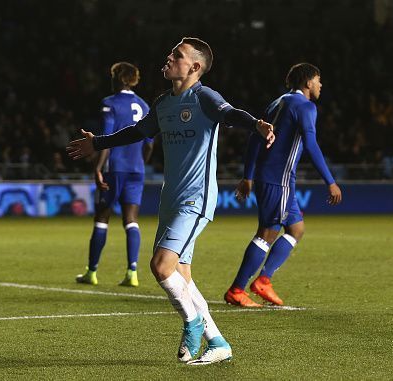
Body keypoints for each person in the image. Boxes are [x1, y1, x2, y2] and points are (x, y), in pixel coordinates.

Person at [67, 37, 275, 365]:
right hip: (170, 198)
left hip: (196, 197)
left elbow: (230, 114)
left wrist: (256, 125)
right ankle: (218, 342)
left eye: (177, 55)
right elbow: (137, 132)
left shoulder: (204, 97)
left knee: (161, 266)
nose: (169, 57)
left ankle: (192, 323)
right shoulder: (163, 102)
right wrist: (99, 143)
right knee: (182, 276)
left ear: (194, 67)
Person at [224, 63, 342, 308]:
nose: (321, 85)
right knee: (267, 232)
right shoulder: (306, 106)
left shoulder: (277, 102)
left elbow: (255, 137)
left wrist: (248, 175)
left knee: (296, 229)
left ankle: (264, 280)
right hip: (277, 178)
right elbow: (311, 144)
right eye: (318, 80)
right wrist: (330, 181)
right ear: (308, 82)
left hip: (275, 177)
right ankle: (237, 289)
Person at [75, 62, 153, 287]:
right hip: (136, 169)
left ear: (118, 78)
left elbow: (106, 140)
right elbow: (149, 144)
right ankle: (132, 272)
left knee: (101, 218)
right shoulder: (145, 105)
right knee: (131, 220)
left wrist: (98, 168)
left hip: (114, 168)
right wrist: (140, 164)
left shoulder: (109, 104)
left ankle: (92, 272)